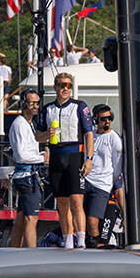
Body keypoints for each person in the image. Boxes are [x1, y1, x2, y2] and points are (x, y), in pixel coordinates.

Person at [37, 73, 95, 249]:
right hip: (56, 156)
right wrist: (48, 134)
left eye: (69, 86)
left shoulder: (79, 106)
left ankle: (82, 240)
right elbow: (38, 136)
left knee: (77, 200)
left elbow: (89, 134)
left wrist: (89, 159)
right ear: (55, 87)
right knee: (61, 202)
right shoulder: (47, 109)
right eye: (62, 85)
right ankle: (67, 239)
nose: (65, 89)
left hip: (74, 155)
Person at [7, 91, 47, 248]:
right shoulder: (20, 124)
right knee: (32, 218)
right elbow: (22, 155)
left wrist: (40, 154)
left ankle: (14, 250)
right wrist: (42, 158)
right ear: (24, 103)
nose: (35, 106)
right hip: (26, 175)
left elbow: (28, 151)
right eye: (32, 103)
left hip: (27, 174)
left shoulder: (29, 123)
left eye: (37, 103)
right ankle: (32, 253)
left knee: (21, 216)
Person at [83, 104, 123, 248]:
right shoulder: (90, 136)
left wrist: (109, 182)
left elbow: (117, 166)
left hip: (102, 183)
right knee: (81, 219)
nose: (107, 121)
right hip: (86, 180)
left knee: (92, 220)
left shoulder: (114, 139)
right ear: (95, 119)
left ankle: (94, 247)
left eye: (109, 118)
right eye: (103, 119)